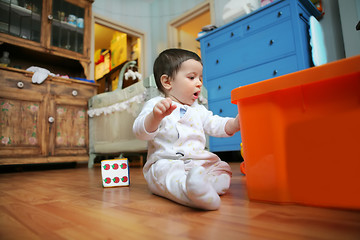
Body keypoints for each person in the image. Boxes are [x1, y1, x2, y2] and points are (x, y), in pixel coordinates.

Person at [133, 48, 240, 210]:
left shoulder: (198, 109)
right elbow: (140, 133)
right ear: (167, 82)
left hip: (198, 163)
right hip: (167, 162)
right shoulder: (156, 105)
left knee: (222, 167)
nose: (199, 83)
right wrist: (154, 117)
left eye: (200, 78)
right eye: (192, 77)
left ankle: (207, 185)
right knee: (165, 175)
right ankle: (191, 192)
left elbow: (214, 123)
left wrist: (235, 124)